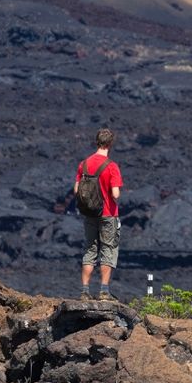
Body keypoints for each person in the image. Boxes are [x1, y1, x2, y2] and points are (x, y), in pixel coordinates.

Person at [75, 128, 123, 301]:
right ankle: (104, 291)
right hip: (108, 213)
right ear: (110, 144)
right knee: (108, 249)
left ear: (97, 142)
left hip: (89, 213)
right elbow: (115, 194)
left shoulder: (84, 164)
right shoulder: (111, 166)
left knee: (90, 249)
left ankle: (85, 291)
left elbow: (76, 189)